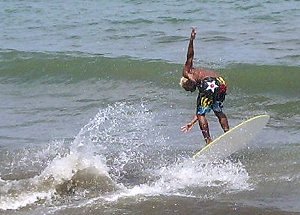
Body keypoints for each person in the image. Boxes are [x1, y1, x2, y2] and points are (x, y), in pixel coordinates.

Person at [180, 28, 229, 144]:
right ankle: (227, 132)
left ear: (186, 82)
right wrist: (192, 123)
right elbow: (205, 106)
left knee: (201, 112)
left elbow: (190, 55)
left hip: (208, 83)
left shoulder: (187, 72)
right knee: (217, 109)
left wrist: (191, 40)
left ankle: (208, 141)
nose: (192, 91)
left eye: (189, 89)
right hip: (221, 82)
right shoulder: (198, 73)